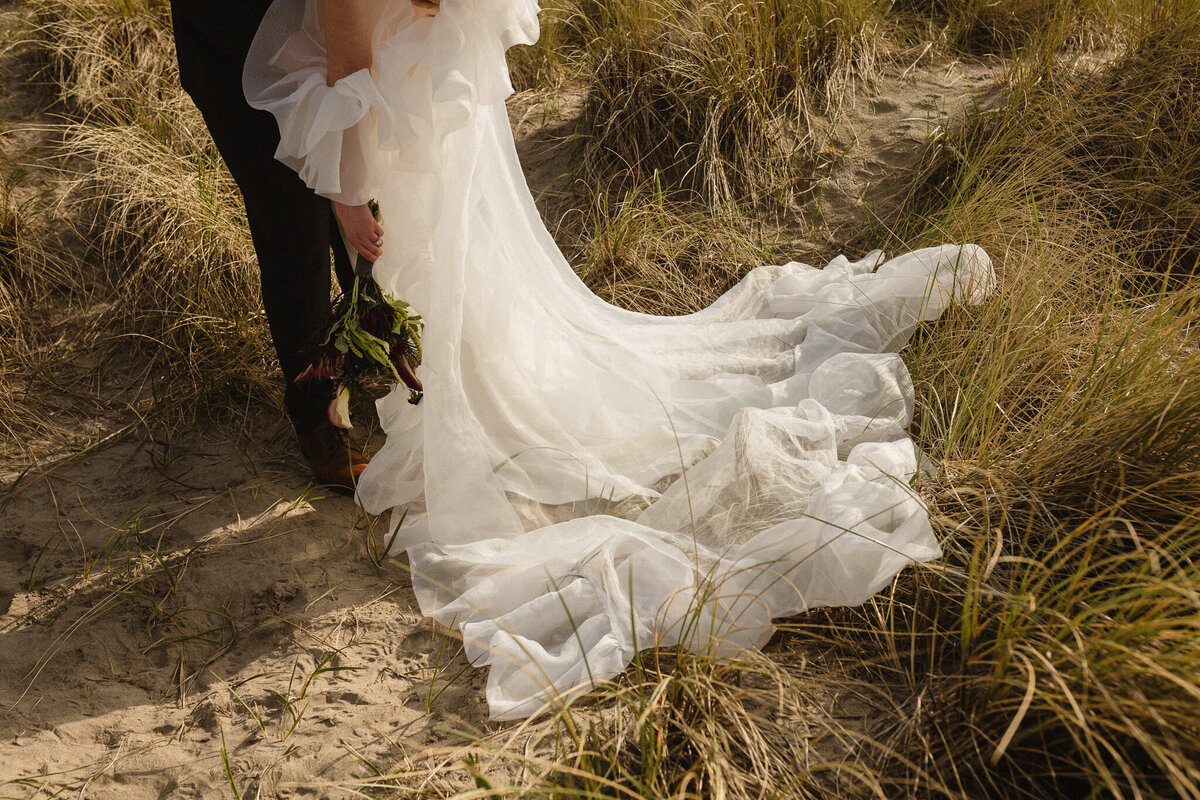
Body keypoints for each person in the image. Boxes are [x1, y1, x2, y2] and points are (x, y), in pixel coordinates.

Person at [243, 0, 996, 719]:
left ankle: (451, 384)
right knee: (454, 264)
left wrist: (348, 193)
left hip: (403, 98)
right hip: (434, 94)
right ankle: (445, 368)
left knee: (429, 261)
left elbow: (350, 64)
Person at [169, 0, 429, 492]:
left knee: (364, 207)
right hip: (236, 47)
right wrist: (346, 197)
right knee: (294, 227)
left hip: (320, 42)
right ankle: (317, 415)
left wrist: (353, 189)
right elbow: (347, 62)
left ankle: (373, 340)